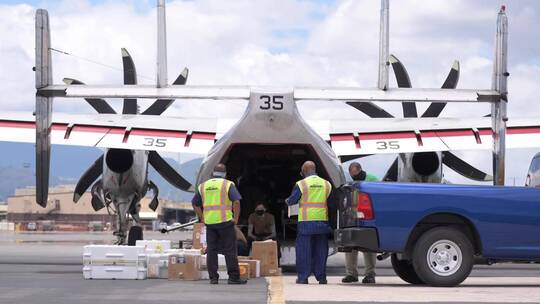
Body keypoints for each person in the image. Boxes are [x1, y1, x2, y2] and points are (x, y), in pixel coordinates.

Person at [192, 163, 247, 285]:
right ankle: (233, 277)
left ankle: (213, 278)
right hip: (225, 222)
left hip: (210, 223)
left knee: (211, 250)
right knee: (230, 250)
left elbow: (195, 204)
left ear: (212, 174)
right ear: (225, 174)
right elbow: (236, 202)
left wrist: (202, 218)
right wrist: (236, 218)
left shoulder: (203, 186)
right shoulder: (228, 184)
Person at [286, 161, 332, 284]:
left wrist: (288, 201)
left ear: (304, 171)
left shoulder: (301, 184)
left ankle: (303, 277)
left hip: (306, 221)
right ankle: (321, 277)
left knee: (304, 250)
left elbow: (292, 200)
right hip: (322, 221)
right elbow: (329, 200)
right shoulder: (326, 184)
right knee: (321, 251)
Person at [342, 162, 378, 284]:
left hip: (368, 218)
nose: (354, 177)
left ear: (360, 169)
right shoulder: (350, 182)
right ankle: (351, 274)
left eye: (356, 174)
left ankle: (370, 274)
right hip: (354, 218)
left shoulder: (372, 179)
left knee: (368, 248)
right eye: (352, 175)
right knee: (351, 247)